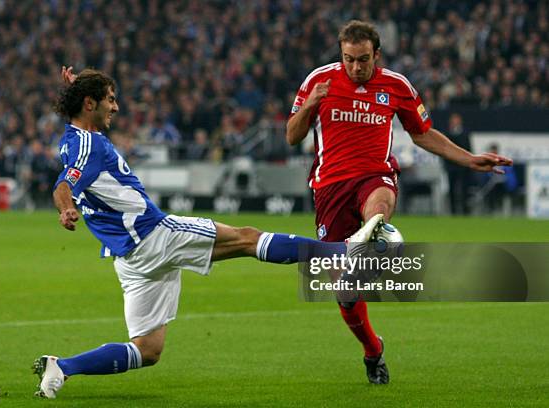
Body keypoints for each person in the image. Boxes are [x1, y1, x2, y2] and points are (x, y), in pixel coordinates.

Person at [33, 67, 387, 399]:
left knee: (148, 350)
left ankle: (61, 367)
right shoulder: (89, 145)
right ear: (90, 104)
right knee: (247, 238)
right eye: (109, 99)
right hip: (155, 236)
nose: (116, 106)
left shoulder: (75, 137)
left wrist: (78, 87)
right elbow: (65, 183)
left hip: (130, 258)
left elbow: (74, 157)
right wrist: (66, 207)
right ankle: (345, 249)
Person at [286, 20, 513, 385]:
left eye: (362, 60)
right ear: (340, 55)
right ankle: (373, 351)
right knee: (345, 294)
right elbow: (292, 137)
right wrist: (309, 106)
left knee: (377, 206)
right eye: (348, 59)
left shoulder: (396, 86)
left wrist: (468, 159)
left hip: (375, 176)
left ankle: (375, 237)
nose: (355, 68)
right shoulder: (318, 81)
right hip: (329, 187)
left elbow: (423, 134)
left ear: (377, 54)